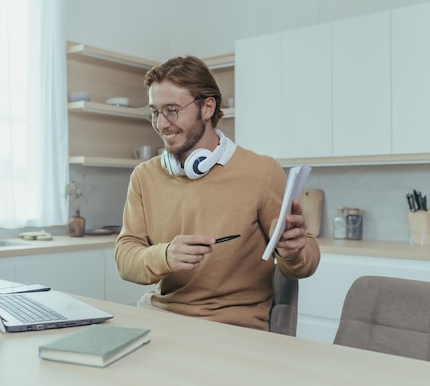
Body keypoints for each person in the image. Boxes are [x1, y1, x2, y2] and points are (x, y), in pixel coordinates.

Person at [115, 55, 320, 331]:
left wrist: (292, 252)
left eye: (172, 110)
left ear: (207, 107)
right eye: (155, 112)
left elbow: (305, 262)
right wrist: (165, 256)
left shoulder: (261, 172)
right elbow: (125, 257)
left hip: (232, 328)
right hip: (160, 321)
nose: (161, 124)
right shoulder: (144, 176)